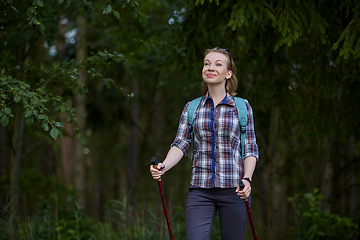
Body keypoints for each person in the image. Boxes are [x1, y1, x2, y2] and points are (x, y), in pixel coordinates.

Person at [150, 47, 259, 240]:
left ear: (229, 73)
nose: (211, 67)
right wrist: (163, 166)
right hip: (200, 191)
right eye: (207, 63)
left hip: (235, 190)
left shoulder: (242, 107)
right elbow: (181, 143)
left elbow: (249, 149)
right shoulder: (192, 107)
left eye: (218, 64)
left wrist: (247, 179)